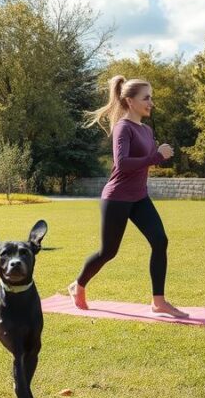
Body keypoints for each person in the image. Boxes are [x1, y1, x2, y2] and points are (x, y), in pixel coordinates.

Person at [67, 76, 187, 317]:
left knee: (160, 241)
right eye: (146, 98)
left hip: (139, 196)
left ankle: (158, 301)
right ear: (130, 101)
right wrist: (157, 156)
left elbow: (144, 162)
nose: (151, 102)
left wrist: (157, 155)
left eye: (151, 97)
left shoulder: (146, 129)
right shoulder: (123, 127)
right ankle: (77, 284)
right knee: (108, 252)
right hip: (117, 197)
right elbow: (122, 164)